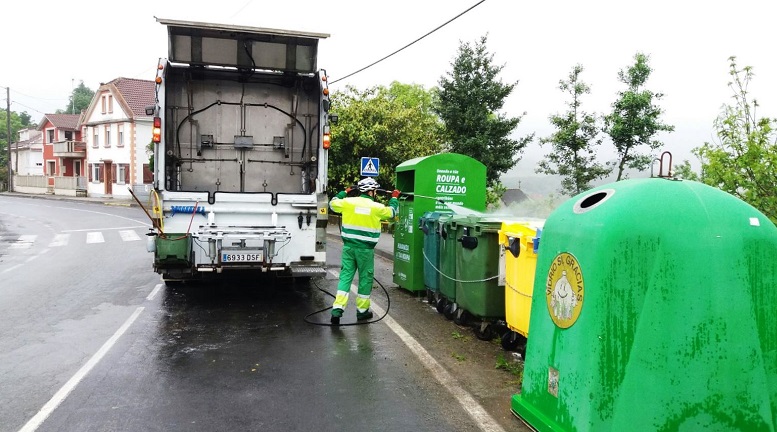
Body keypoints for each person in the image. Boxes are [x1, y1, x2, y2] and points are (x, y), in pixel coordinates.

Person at [329, 177, 399, 325]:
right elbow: (392, 213)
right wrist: (394, 198)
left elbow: (332, 204)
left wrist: (344, 192)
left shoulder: (347, 202)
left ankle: (337, 310)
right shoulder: (377, 207)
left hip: (348, 248)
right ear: (372, 191)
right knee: (365, 279)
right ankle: (362, 312)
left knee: (345, 277)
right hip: (365, 250)